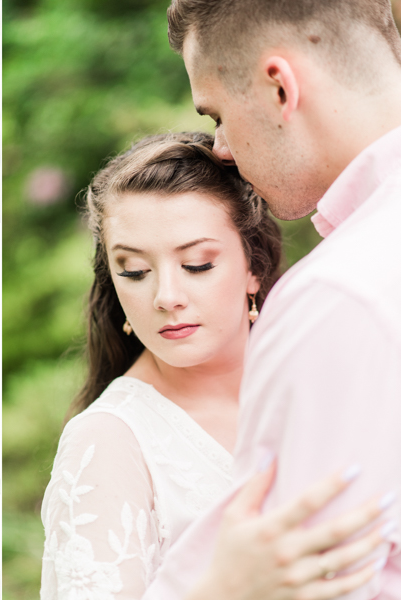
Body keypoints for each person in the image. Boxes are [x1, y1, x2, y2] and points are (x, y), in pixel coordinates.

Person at [40, 132, 392, 600]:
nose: (166, 297)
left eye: (198, 264)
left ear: (254, 266)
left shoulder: (331, 374)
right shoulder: (108, 441)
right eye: (134, 271)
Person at [134, 1, 401, 599]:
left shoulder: (338, 297)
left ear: (280, 86)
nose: (221, 146)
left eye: (218, 114)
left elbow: (315, 583)